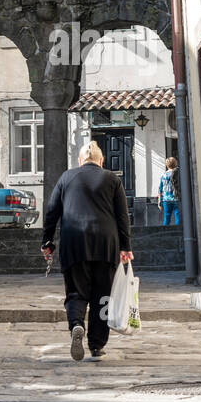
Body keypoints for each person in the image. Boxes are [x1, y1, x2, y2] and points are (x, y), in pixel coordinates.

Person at [40, 141, 133, 362]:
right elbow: (122, 216)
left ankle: (76, 325)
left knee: (76, 292)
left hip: (74, 243)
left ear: (80, 161)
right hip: (105, 244)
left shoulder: (66, 178)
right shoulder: (112, 179)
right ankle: (97, 346)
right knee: (102, 297)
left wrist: (47, 241)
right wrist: (125, 247)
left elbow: (52, 211)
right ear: (101, 162)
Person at [157, 156, 180, 226]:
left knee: (166, 218)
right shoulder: (178, 173)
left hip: (166, 199)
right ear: (175, 164)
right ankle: (179, 233)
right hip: (176, 198)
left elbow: (160, 189)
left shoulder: (163, 175)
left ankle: (164, 232)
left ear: (167, 165)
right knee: (178, 217)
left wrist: (159, 202)